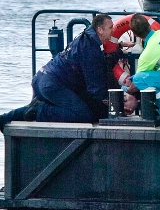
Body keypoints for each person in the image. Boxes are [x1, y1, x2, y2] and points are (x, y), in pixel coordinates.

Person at [0, 14, 131, 132]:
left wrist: (118, 48)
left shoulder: (86, 38)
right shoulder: (90, 49)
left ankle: (6, 118)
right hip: (52, 84)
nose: (113, 30)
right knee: (83, 115)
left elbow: (101, 63)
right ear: (100, 30)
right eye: (110, 28)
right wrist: (113, 103)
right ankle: (37, 110)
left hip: (42, 78)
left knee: (82, 106)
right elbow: (95, 88)